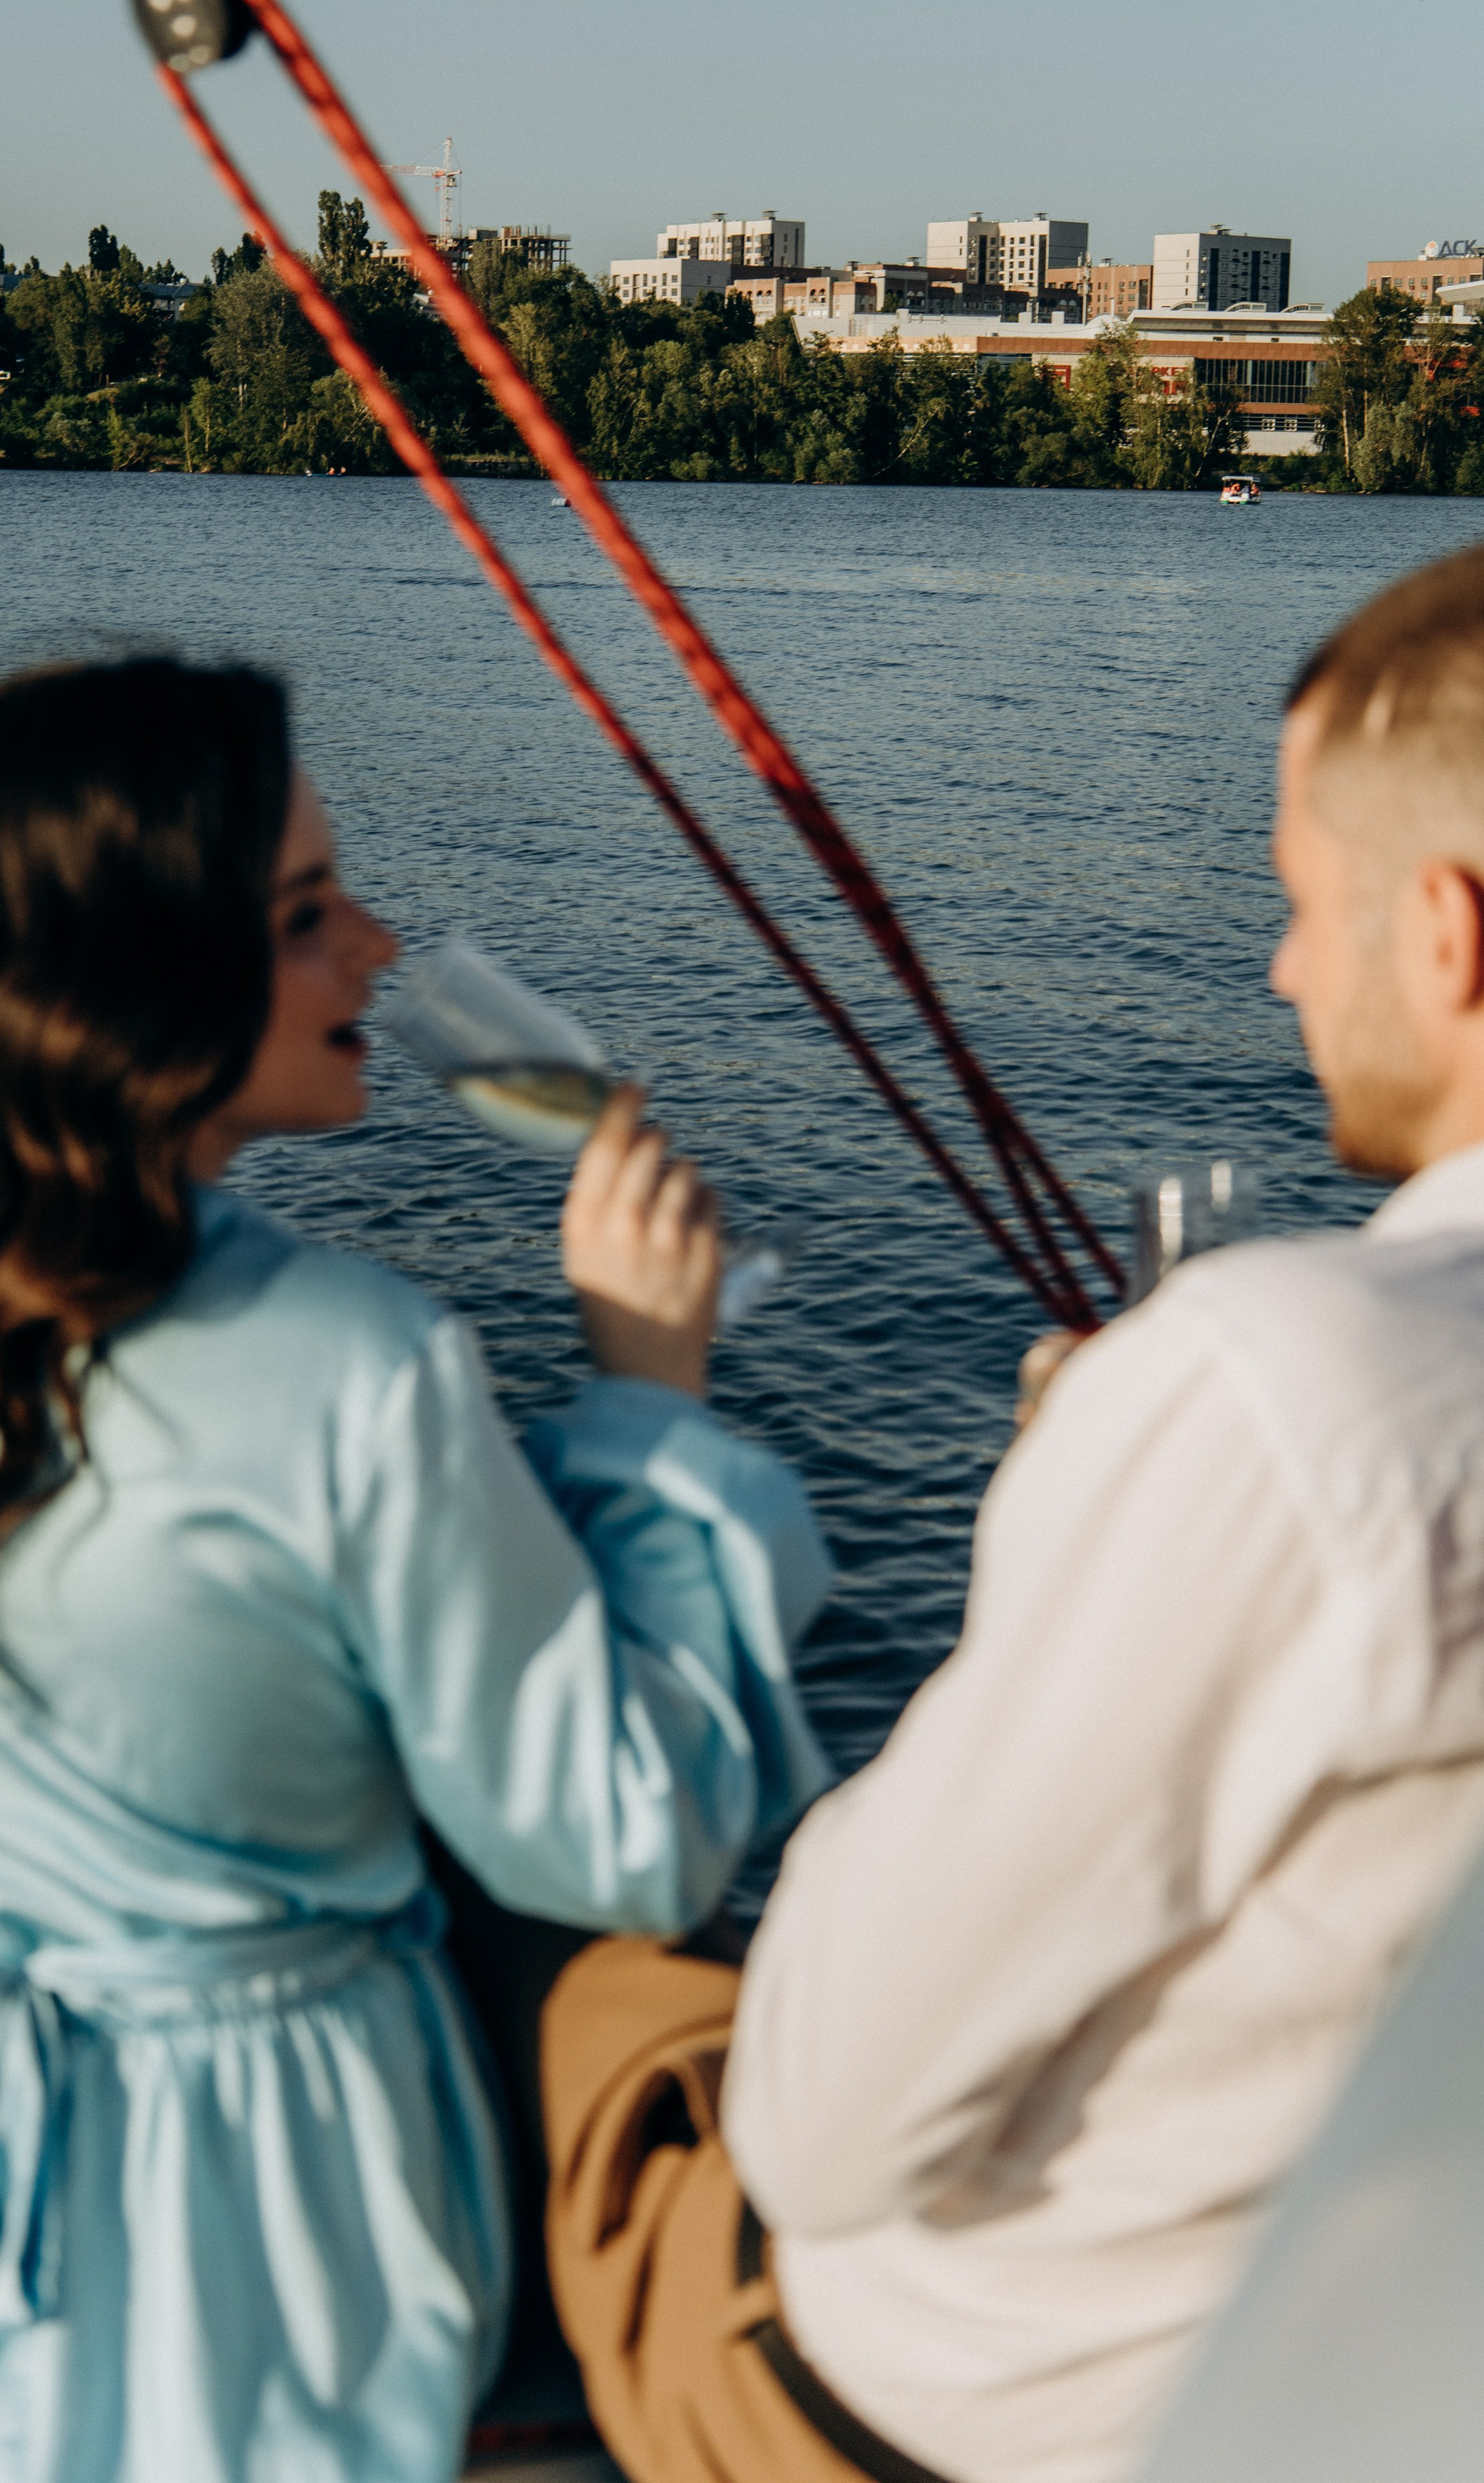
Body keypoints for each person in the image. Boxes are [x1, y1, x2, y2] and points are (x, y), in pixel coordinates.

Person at [0, 653, 834, 2483]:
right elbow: (618, 1835)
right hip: (226, 2193)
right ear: (138, 982)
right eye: (302, 914)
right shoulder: (351, 1364)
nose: (376, 946)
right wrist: (649, 1402)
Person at [538, 540, 1484, 2483]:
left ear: (1453, 936)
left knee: (586, 1988)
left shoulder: (1281, 1387)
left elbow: (824, 2125)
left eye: (1309, 905)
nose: (1284, 968)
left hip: (961, 2419)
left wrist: (1079, 1500)